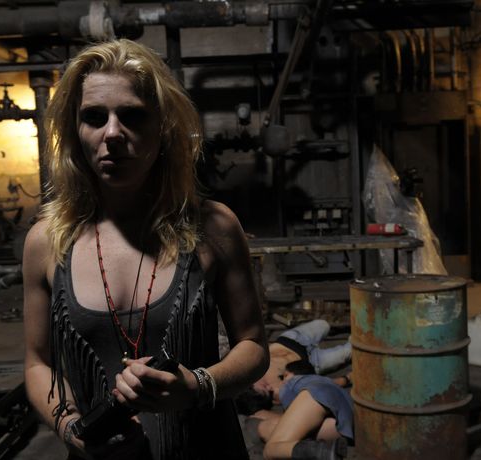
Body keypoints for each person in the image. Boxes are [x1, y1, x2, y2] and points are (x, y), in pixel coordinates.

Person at [22, 39, 269, 459]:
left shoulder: (214, 228)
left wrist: (196, 386)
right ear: (75, 130)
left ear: (163, 127)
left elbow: (255, 347)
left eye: (132, 115)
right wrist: (71, 429)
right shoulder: (47, 242)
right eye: (94, 117)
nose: (112, 133)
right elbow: (36, 364)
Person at [256, 361, 352, 460]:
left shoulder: (289, 384)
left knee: (270, 450)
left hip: (318, 396)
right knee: (267, 428)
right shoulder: (323, 380)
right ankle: (323, 449)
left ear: (286, 374)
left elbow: (295, 417)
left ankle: (318, 452)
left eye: (282, 378)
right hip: (346, 422)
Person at [252, 319, 351, 399]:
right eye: (267, 392)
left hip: (293, 340)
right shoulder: (276, 391)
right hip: (313, 362)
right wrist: (346, 379)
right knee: (349, 351)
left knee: (323, 324)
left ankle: (341, 329)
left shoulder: (250, 368)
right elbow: (315, 386)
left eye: (264, 387)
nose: (268, 387)